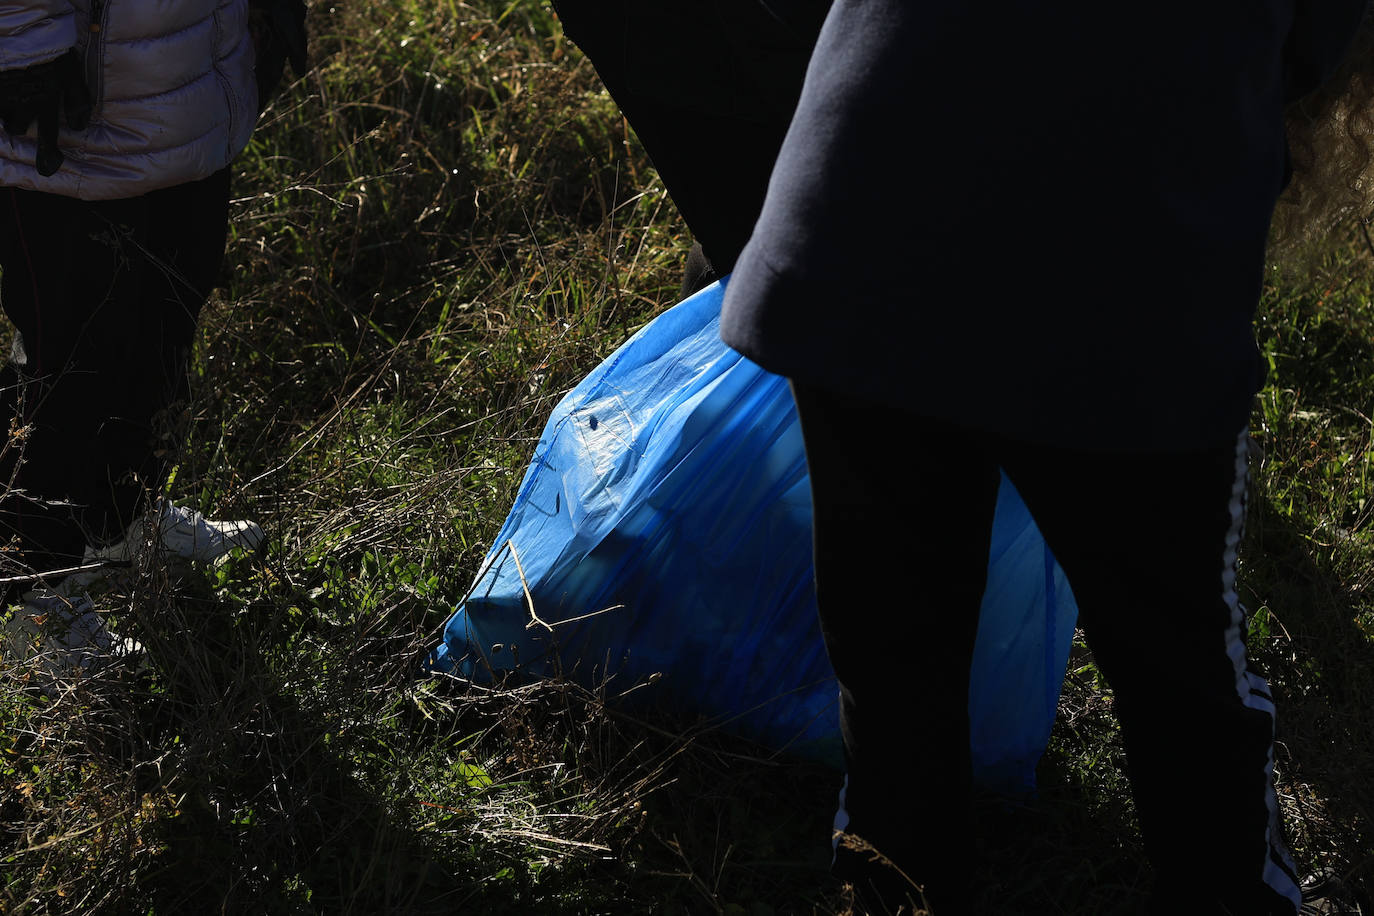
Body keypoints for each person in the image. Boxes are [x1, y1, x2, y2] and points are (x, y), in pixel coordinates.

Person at [714, 2, 1372, 914]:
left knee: (892, 640)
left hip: (849, 250)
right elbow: (1302, 49)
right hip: (1113, 303)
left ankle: (898, 889)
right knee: (1177, 664)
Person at [0, 0, 305, 665]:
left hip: (193, 95)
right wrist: (19, 49)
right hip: (71, 123)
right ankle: (37, 605)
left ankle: (121, 517)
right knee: (73, 372)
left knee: (162, 331)